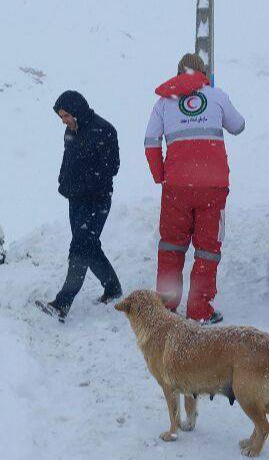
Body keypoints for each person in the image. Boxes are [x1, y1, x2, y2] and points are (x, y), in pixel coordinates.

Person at [144, 53, 245, 324]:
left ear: (178, 73)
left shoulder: (163, 103)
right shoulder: (217, 95)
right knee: (207, 250)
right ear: (204, 73)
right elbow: (239, 126)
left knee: (171, 247)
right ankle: (200, 310)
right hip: (213, 187)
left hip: (177, 187)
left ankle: (165, 310)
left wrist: (161, 176)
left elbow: (150, 140)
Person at [36, 90, 123, 321]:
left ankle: (62, 303)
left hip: (97, 201)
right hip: (75, 200)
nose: (63, 121)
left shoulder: (104, 130)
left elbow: (112, 167)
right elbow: (68, 160)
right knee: (89, 245)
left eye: (65, 116)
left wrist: (87, 184)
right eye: (61, 117)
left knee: (80, 248)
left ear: (76, 111)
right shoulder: (70, 131)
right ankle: (113, 289)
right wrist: (63, 181)